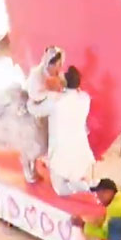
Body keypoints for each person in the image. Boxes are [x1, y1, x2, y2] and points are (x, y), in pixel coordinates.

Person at [26, 66, 93, 196]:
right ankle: (85, 184)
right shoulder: (85, 99)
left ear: (63, 82)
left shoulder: (56, 101)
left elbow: (35, 110)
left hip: (61, 152)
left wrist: (31, 98)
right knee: (74, 176)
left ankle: (87, 187)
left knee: (60, 190)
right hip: (80, 148)